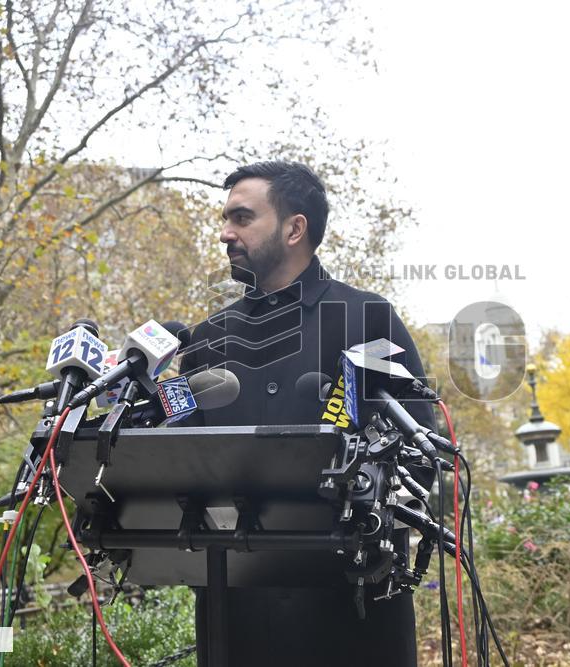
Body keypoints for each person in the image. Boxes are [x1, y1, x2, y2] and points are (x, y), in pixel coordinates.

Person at [181, 161, 436, 667]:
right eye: (226, 219)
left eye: (241, 218)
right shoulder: (207, 339)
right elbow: (178, 462)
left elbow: (421, 455)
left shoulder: (368, 318)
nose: (225, 233)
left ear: (294, 228)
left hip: (356, 616)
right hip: (234, 616)